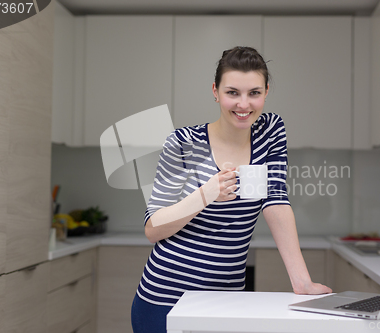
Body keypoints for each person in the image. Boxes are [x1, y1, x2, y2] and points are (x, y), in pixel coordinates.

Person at [131, 46, 332, 333]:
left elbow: (275, 200)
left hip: (227, 298)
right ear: (215, 91)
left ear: (266, 92)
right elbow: (153, 228)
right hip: (166, 299)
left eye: (254, 93)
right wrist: (205, 195)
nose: (243, 104)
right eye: (232, 92)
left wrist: (301, 281)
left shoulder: (270, 130)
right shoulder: (183, 142)